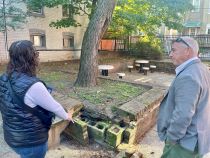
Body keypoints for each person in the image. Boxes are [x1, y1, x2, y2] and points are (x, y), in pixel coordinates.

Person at [0, 40, 74, 158]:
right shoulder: (34, 86)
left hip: (12, 138)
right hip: (31, 143)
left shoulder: (3, 78)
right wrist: (67, 116)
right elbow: (55, 107)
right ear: (32, 58)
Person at [157, 36, 210, 158]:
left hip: (184, 145)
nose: (170, 54)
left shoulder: (188, 76)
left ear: (188, 51)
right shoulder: (203, 69)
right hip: (198, 139)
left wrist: (171, 139)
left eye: (174, 50)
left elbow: (183, 114)